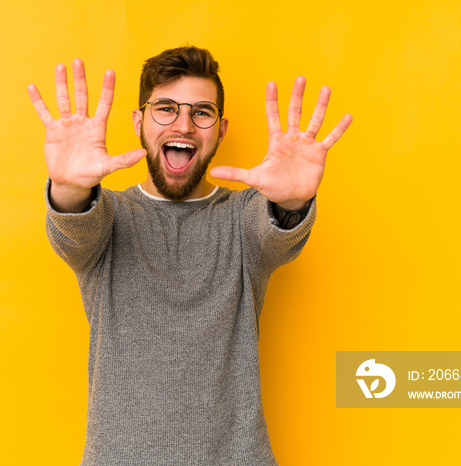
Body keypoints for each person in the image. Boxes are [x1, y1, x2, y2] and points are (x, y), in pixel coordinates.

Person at [27, 46, 351, 465]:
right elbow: (75, 228)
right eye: (165, 108)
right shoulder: (108, 217)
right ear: (138, 121)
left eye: (201, 112)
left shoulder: (241, 217)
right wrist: (69, 188)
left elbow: (275, 234)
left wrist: (291, 203)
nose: (184, 125)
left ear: (221, 129)